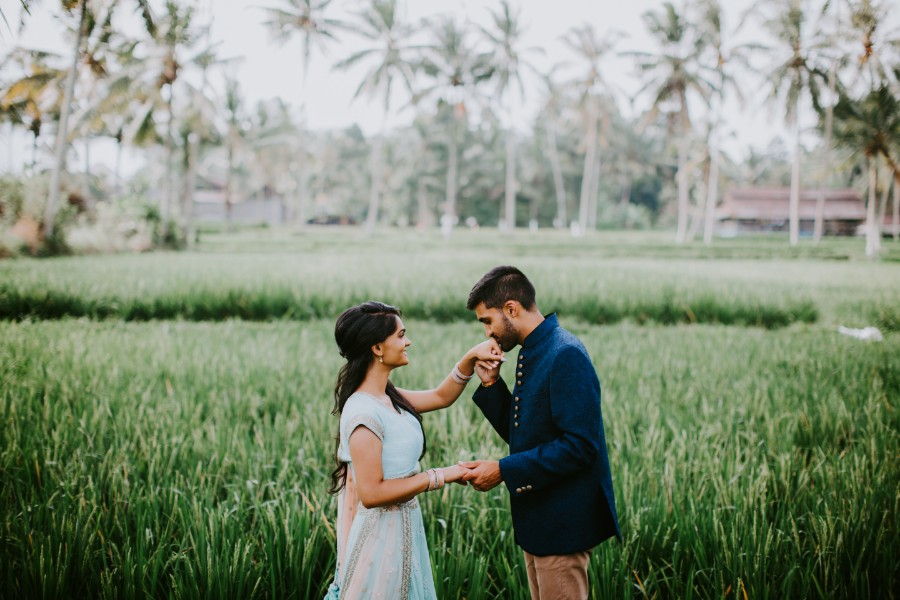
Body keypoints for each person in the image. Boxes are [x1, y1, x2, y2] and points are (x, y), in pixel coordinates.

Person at [459, 266, 620, 600]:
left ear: (512, 309)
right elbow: (526, 436)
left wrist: (503, 470)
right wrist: (491, 385)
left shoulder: (564, 354)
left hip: (562, 526)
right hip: (541, 524)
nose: (488, 333)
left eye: (487, 321)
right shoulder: (535, 350)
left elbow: (580, 446)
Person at [324, 300, 503, 599]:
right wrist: (441, 475)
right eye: (400, 335)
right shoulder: (362, 414)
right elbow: (371, 494)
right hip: (378, 543)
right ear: (377, 348)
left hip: (405, 530)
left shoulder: (387, 396)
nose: (408, 341)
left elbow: (440, 396)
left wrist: (471, 358)